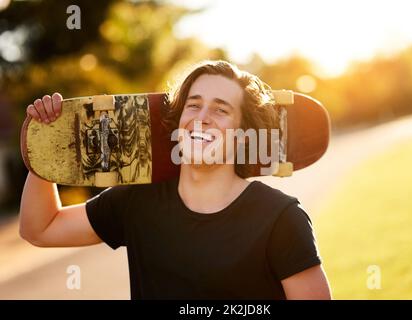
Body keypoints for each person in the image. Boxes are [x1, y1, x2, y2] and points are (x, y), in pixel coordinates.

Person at [20, 60, 332, 299]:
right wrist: (46, 151)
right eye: (193, 105)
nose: (202, 117)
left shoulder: (281, 218)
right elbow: (40, 229)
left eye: (220, 110)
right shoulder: (137, 201)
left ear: (241, 135)